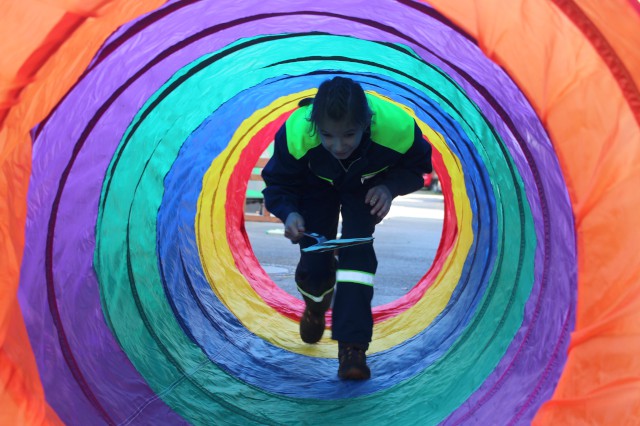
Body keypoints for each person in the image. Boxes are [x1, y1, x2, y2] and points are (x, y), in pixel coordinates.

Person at [261, 76, 432, 380]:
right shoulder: (297, 132)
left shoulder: (397, 129)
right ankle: (315, 305)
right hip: (315, 184)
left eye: (349, 134)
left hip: (367, 185)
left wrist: (390, 188)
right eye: (327, 135)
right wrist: (288, 213)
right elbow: (278, 183)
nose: (338, 145)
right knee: (315, 259)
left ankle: (352, 348)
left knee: (357, 257)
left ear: (366, 123)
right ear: (315, 125)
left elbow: (419, 168)